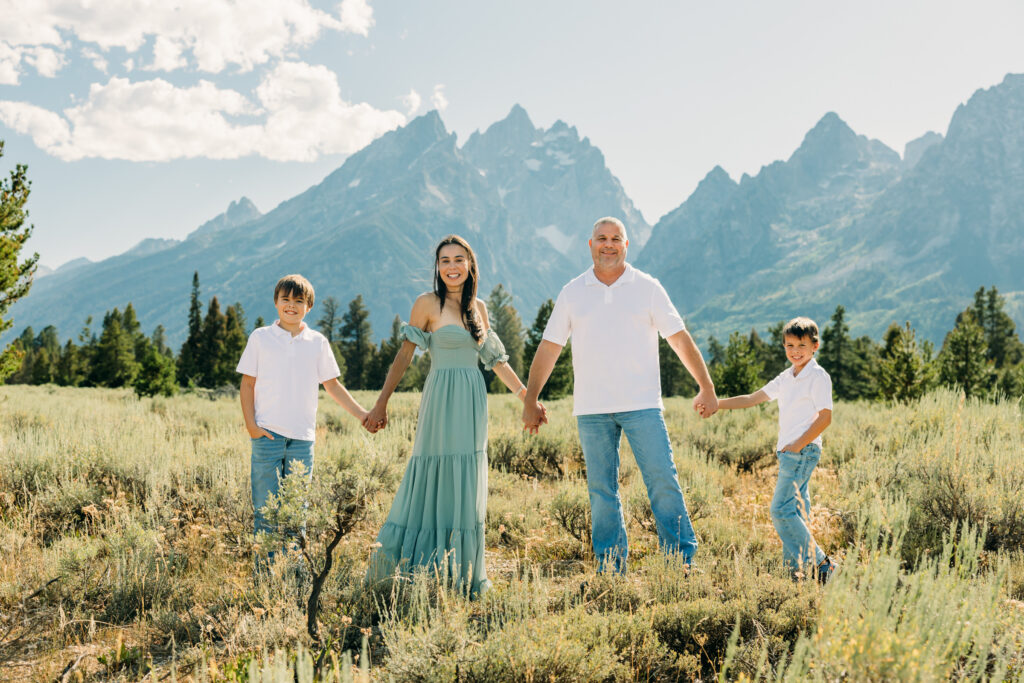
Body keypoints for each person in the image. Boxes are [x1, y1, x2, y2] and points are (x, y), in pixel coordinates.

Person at [522, 217, 717, 573]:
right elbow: (549, 347)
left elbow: (679, 338)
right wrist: (530, 398)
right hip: (592, 409)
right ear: (590, 244)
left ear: (626, 245)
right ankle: (611, 568)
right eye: (602, 238)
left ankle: (681, 563)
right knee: (601, 492)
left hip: (642, 406)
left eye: (616, 239)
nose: (608, 244)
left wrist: (706, 386)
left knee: (662, 482)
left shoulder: (648, 287)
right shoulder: (573, 291)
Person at [363, 235, 541, 596]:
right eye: (444, 260)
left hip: (472, 400)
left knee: (467, 475)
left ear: (470, 264)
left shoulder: (480, 308)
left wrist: (527, 399)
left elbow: (497, 362)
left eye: (459, 259)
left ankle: (460, 572)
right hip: (440, 397)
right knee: (431, 469)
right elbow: (404, 357)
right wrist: (381, 402)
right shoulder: (426, 303)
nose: (452, 266)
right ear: (438, 268)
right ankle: (417, 566)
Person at [237, 274, 369, 566]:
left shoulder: (317, 342)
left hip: (302, 440)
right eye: (285, 299)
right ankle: (265, 576)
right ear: (276, 303)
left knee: (296, 510)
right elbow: (247, 384)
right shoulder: (260, 338)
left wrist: (362, 414)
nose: (291, 306)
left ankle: (293, 574)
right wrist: (252, 426)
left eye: (299, 301)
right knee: (266, 510)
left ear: (309, 306)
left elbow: (332, 385)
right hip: (267, 437)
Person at [714, 316, 835, 583]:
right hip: (790, 453)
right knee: (796, 511)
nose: (795, 351)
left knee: (780, 510)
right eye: (789, 345)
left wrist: (796, 446)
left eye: (801, 345)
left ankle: (822, 564)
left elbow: (825, 417)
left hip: (801, 452)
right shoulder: (787, 377)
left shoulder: (817, 376)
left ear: (815, 346)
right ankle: (795, 574)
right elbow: (752, 398)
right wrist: (717, 404)